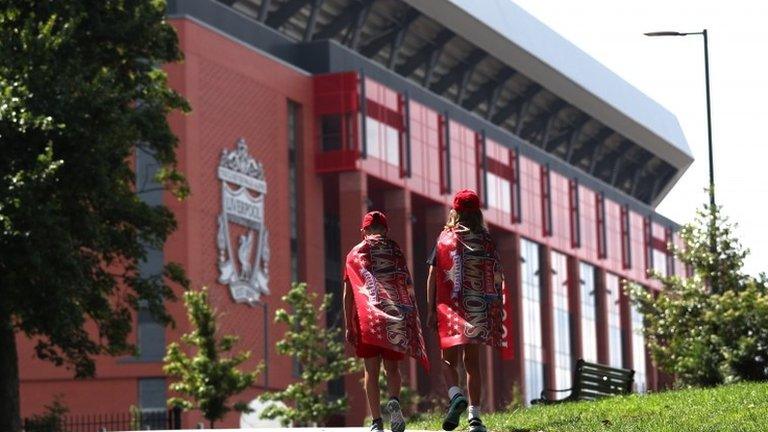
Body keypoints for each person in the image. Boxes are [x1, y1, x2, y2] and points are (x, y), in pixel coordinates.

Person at [426, 190, 514, 432]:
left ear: (454, 211)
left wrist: (431, 309)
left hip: (450, 307)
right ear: (478, 213)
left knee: (447, 361)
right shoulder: (486, 241)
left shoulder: (445, 238)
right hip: (477, 309)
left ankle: (456, 396)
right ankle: (475, 418)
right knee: (472, 363)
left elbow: (433, 276)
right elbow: (497, 277)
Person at [344, 211, 430, 432]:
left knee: (370, 371)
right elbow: (407, 287)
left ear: (363, 231)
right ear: (386, 230)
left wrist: (348, 324)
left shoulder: (355, 253)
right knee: (392, 369)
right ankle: (394, 400)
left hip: (367, 320)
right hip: (394, 317)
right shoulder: (396, 252)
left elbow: (348, 294)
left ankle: (376, 422)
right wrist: (410, 320)